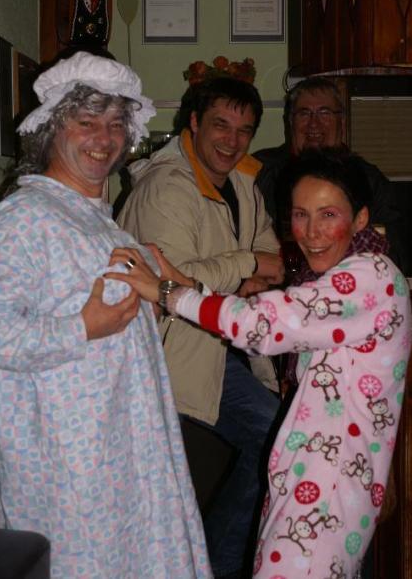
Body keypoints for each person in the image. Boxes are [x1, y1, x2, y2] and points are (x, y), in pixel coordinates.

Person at [110, 146, 411, 578]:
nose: (311, 232)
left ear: (361, 218)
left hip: (324, 492)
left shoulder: (370, 276)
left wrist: (167, 293)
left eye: (328, 214)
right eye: (300, 214)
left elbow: (261, 325)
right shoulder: (345, 278)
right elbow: (281, 318)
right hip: (316, 480)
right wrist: (187, 286)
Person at [0, 51, 212, 578]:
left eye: (115, 124)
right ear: (52, 129)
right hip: (69, 471)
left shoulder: (98, 221)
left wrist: (161, 294)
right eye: (86, 122)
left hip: (122, 453)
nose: (103, 138)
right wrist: (83, 327)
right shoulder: (23, 219)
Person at [117, 76, 284, 578]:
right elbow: (171, 283)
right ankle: (216, 564)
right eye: (220, 125)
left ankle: (213, 562)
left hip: (223, 343)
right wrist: (243, 266)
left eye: (244, 130)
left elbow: (272, 259)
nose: (232, 141)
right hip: (178, 353)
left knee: (279, 439)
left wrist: (242, 272)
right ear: (193, 122)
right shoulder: (165, 187)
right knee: (280, 439)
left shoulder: (243, 183)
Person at [254, 76, 409, 273]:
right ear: (290, 122)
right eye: (304, 113)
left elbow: (394, 254)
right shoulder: (259, 172)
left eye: (324, 113)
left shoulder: (369, 180)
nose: (314, 124)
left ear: (341, 122)